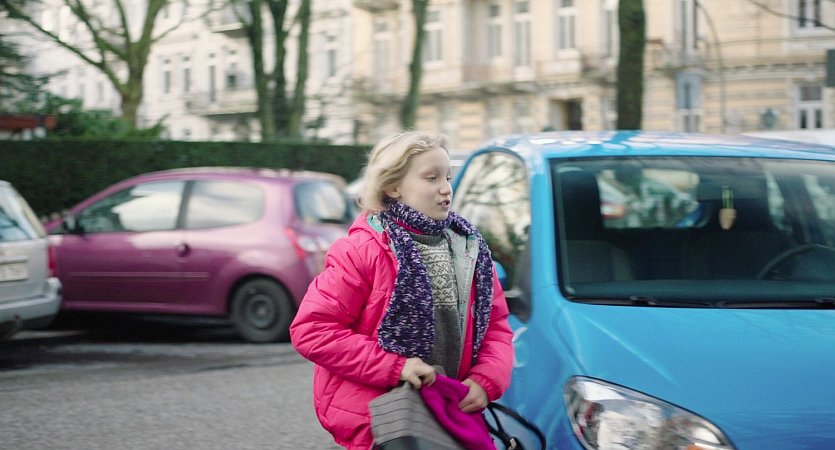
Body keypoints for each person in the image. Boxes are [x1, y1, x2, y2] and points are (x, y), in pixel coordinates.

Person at [290, 131, 514, 450]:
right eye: (431, 178)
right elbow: (312, 330)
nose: (445, 188)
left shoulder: (471, 250)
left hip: (447, 410)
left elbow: (496, 327)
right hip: (383, 419)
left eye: (448, 177)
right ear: (393, 187)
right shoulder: (360, 251)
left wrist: (485, 380)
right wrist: (395, 366)